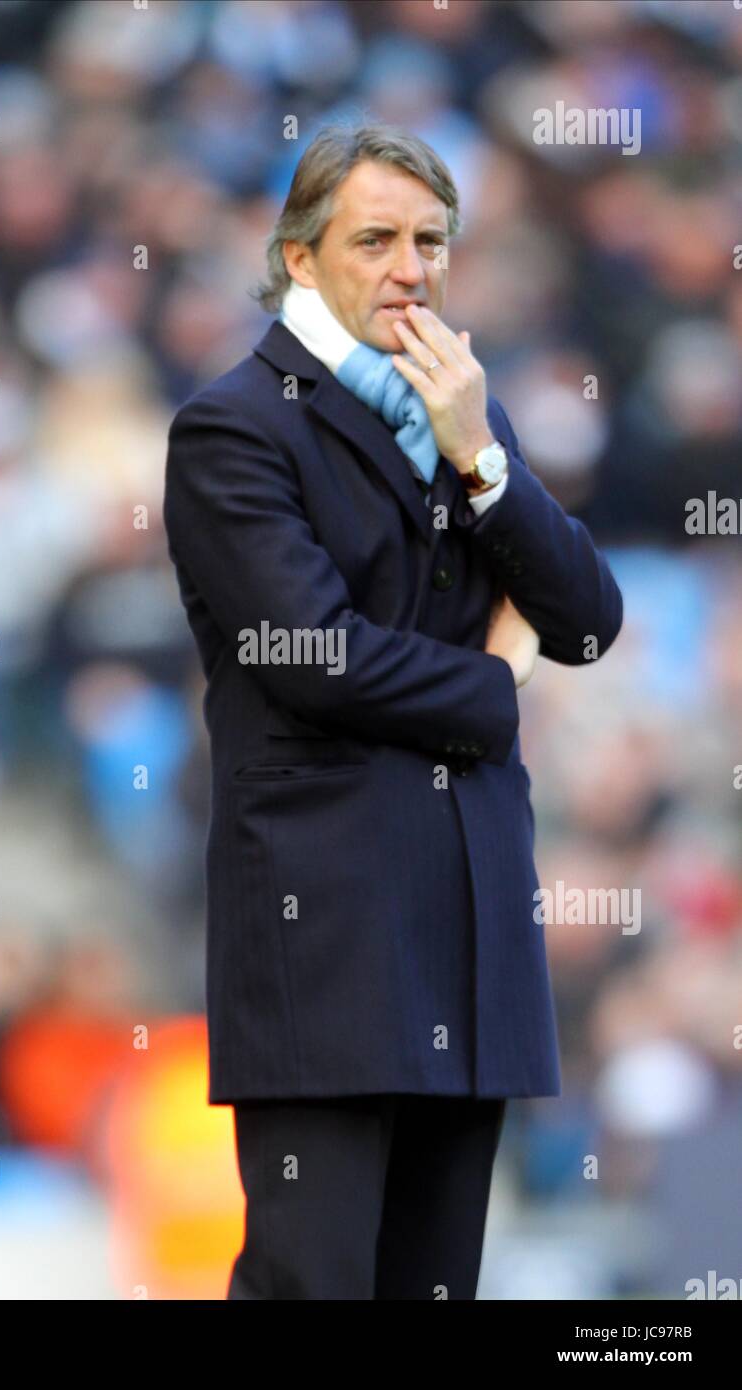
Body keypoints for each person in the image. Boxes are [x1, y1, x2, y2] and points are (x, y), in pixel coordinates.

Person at [163, 123, 623, 1300]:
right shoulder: (234, 426)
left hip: (468, 927)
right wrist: (497, 680)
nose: (411, 265)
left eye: (431, 240)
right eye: (376, 239)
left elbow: (585, 616)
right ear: (301, 258)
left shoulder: (462, 410)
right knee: (311, 1286)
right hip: (325, 933)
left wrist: (484, 462)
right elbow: (317, 655)